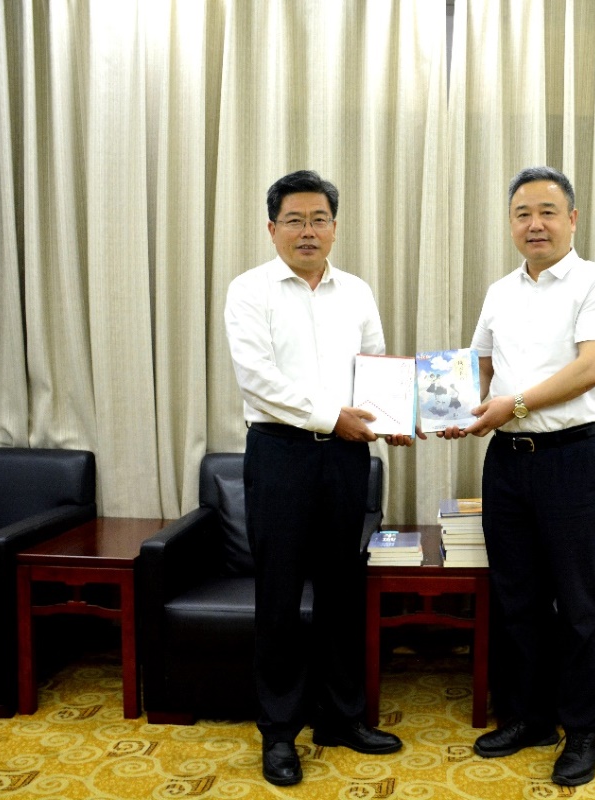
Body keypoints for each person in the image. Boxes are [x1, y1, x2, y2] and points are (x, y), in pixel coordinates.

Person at [224, 169, 421, 787]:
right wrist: (332, 416)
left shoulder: (356, 291)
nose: (307, 231)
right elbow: (257, 379)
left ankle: (341, 718)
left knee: (342, 589)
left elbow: (375, 367)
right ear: (272, 228)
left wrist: (391, 417)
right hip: (279, 454)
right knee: (279, 596)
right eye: (294, 220)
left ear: (334, 227)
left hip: (345, 458)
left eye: (318, 220)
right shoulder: (249, 290)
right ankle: (279, 733)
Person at [440, 166, 595, 786]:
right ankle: (529, 717)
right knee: (515, 598)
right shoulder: (500, 291)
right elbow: (480, 367)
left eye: (547, 211)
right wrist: (451, 411)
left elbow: (592, 367)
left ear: (572, 219)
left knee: (577, 602)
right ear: (511, 223)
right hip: (507, 463)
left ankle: (585, 731)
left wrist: (513, 406)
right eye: (523, 213)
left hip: (574, 459)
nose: (535, 224)